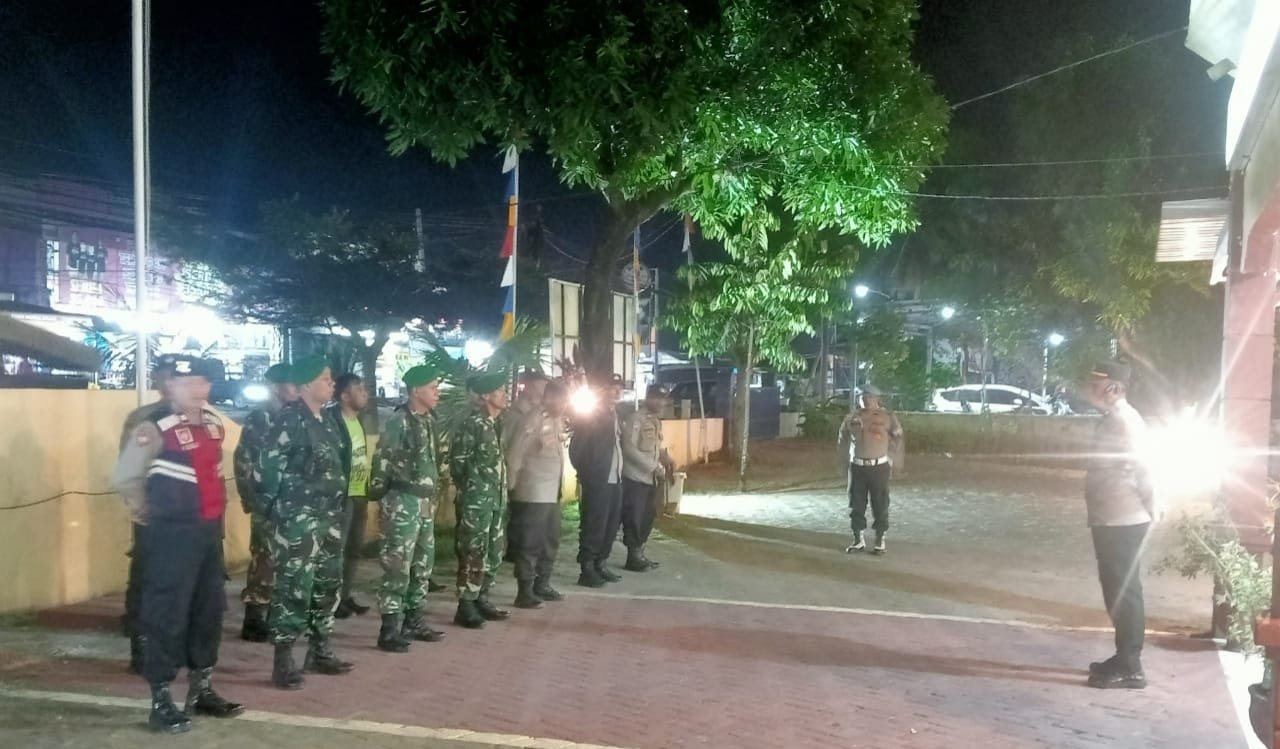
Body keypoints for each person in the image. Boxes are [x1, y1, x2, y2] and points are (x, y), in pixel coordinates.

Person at [112, 356, 243, 733]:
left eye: (202, 382)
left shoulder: (214, 424)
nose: (198, 390)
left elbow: (213, 474)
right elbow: (125, 476)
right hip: (170, 535)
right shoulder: (154, 427)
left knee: (208, 610)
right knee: (166, 612)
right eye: (187, 383)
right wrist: (145, 511)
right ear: (170, 386)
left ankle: (201, 689)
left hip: (207, 533)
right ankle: (161, 699)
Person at [258, 355, 353, 689]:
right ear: (306, 385)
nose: (331, 383)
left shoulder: (328, 420)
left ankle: (319, 649)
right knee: (295, 585)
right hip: (298, 518)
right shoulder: (290, 419)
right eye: (325, 378)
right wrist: (276, 511)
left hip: (328, 517)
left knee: (327, 583)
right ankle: (283, 659)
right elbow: (268, 469)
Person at [1083, 361, 1158, 690]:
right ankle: (1123, 656)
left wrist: (1154, 507)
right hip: (1110, 518)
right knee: (1115, 589)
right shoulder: (1113, 418)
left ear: (1114, 388)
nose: (1090, 389)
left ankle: (1131, 664)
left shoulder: (1125, 421)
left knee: (1125, 591)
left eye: (1096, 384)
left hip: (1123, 519)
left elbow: (1146, 468)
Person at [369, 364, 448, 651]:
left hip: (424, 502)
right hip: (402, 501)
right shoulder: (399, 421)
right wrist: (381, 498)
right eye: (433, 388)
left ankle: (413, 620)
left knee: (422, 563)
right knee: (397, 565)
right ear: (416, 391)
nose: (437, 393)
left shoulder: (428, 420)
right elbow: (382, 460)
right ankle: (389, 628)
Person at [118, 354, 179, 673]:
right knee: (146, 578)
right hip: (154, 514)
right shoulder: (145, 418)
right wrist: (142, 509)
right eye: (166, 377)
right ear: (158, 382)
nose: (171, 384)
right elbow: (129, 469)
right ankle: (140, 647)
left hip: (187, 517)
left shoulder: (198, 418)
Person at [234, 362, 297, 643]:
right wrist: (253, 499)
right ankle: (254, 617)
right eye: (292, 384)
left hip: (291, 502)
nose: (297, 389)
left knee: (284, 559)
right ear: (276, 387)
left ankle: (275, 616)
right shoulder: (262, 417)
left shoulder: (293, 416)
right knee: (265, 559)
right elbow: (245, 461)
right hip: (267, 501)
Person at [449, 370, 512, 629]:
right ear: (486, 396)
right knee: (473, 552)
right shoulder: (473, 424)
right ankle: (466, 604)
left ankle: (482, 597)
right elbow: (458, 463)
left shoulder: (497, 423)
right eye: (500, 391)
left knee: (494, 551)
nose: (505, 395)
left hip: (496, 500)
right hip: (477, 501)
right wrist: (473, 490)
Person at [506, 380, 570, 608]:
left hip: (551, 493)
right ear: (548, 398)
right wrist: (511, 488)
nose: (564, 406)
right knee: (529, 543)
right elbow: (515, 454)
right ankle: (524, 590)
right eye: (561, 401)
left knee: (550, 540)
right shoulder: (533, 419)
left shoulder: (556, 420)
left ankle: (542, 583)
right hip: (533, 491)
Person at [569, 374, 626, 587]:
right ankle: (587, 568)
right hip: (598, 479)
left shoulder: (615, 413)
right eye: (612, 387)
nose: (617, 391)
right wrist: (588, 473)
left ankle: (601, 562)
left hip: (615, 477)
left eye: (619, 387)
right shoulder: (591, 415)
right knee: (594, 523)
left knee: (611, 524)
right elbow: (577, 448)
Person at [326, 373, 374, 620]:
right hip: (341, 495)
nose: (365, 393)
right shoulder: (331, 421)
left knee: (354, 549)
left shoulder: (358, 420)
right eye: (358, 388)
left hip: (358, 492)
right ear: (344, 395)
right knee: (336, 549)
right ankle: (331, 600)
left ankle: (345, 595)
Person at [838, 385, 903, 555]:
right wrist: (843, 463)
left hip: (879, 468)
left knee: (880, 504)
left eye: (870, 396)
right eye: (863, 396)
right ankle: (858, 539)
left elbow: (897, 439)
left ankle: (880, 540)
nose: (866, 400)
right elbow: (842, 441)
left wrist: (892, 459)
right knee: (856, 505)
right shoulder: (851, 418)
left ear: (877, 398)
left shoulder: (887, 417)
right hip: (857, 467)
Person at [618, 384, 675, 572]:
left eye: (663, 399)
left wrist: (664, 457)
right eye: (657, 398)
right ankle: (633, 556)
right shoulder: (636, 419)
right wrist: (653, 467)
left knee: (648, 516)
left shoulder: (655, 421)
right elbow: (629, 448)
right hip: (635, 478)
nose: (660, 403)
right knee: (634, 518)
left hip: (650, 479)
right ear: (648, 398)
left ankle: (640, 553)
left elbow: (653, 447)